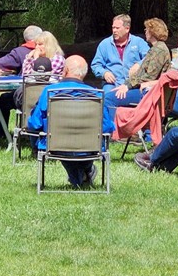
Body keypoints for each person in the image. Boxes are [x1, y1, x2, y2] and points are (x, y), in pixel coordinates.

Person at [27, 55, 115, 188]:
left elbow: (34, 124)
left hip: (56, 146)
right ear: (84, 74)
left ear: (65, 70)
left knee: (67, 152)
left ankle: (80, 177)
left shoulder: (50, 92)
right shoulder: (96, 95)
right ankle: (83, 173)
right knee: (81, 154)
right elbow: (107, 126)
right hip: (90, 147)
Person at [104, 18, 171, 118]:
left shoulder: (159, 50)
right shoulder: (155, 49)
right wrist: (126, 84)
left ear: (152, 32)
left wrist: (127, 86)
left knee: (109, 98)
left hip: (149, 93)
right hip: (145, 90)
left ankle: (112, 130)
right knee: (111, 93)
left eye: (146, 29)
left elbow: (149, 76)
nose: (145, 32)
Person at [90, 14, 150, 91]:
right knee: (108, 97)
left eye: (117, 28)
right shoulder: (104, 44)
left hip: (134, 82)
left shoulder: (138, 42)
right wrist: (104, 73)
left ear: (127, 29)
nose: (114, 30)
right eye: (113, 28)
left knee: (145, 95)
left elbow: (150, 57)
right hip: (112, 84)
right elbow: (96, 65)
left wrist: (139, 64)